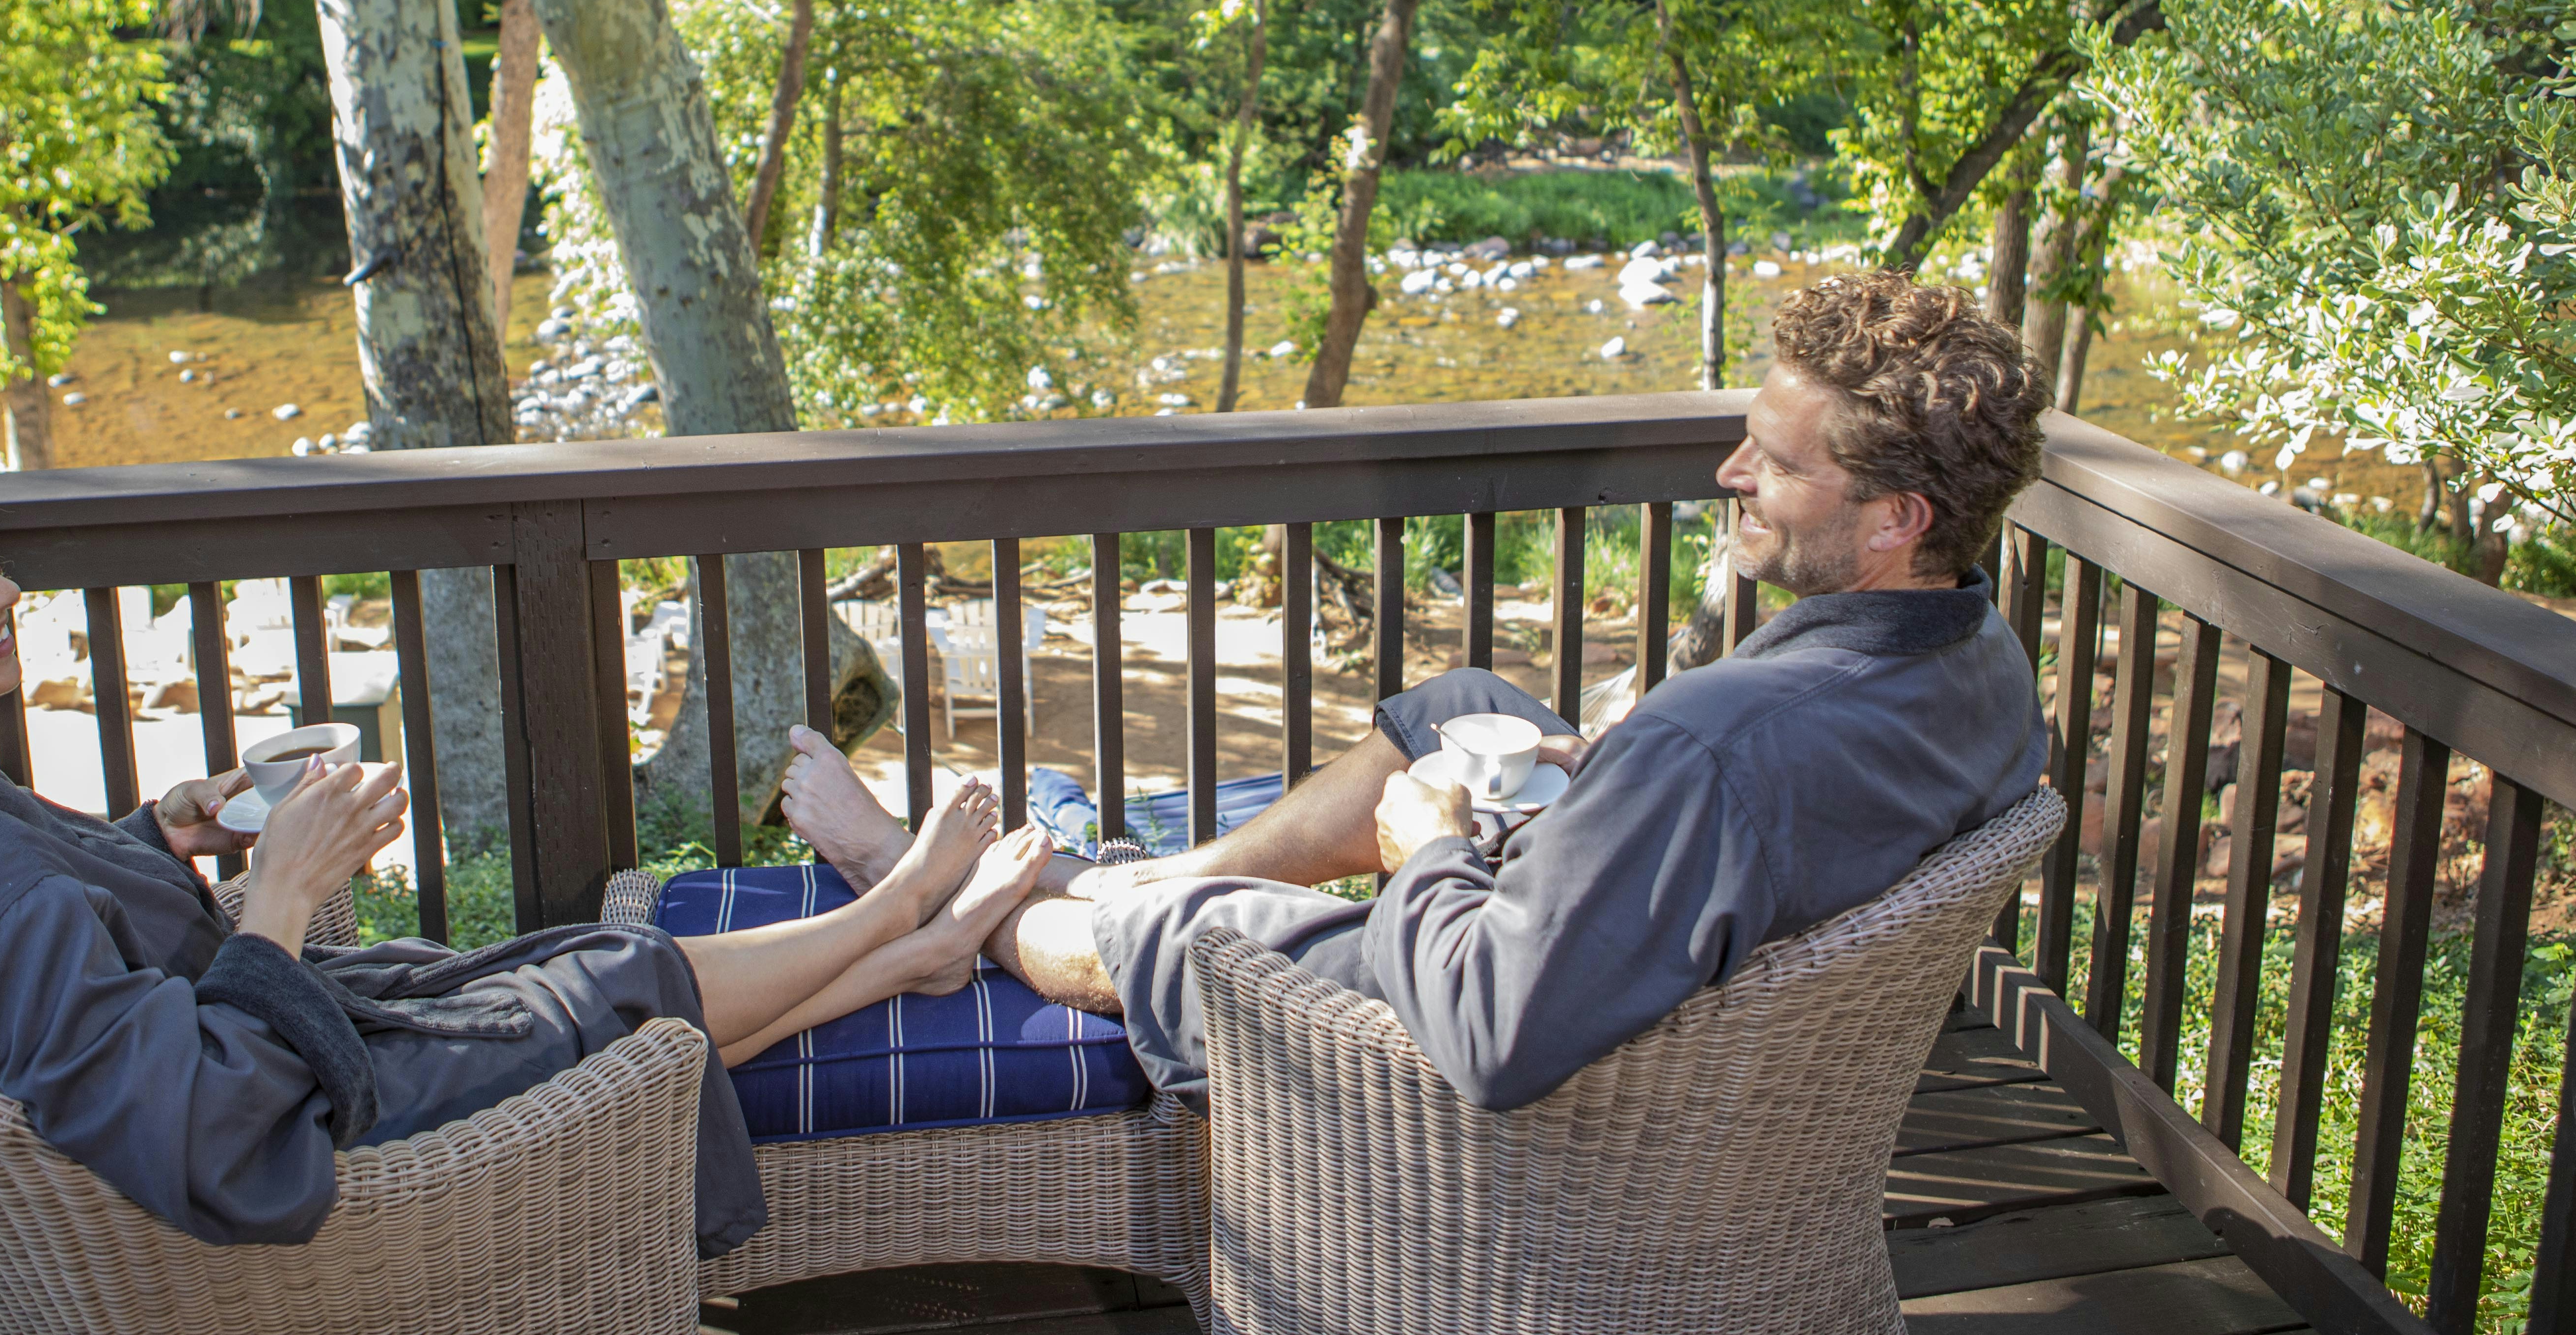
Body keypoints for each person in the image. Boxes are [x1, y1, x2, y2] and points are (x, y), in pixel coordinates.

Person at [0, 438, 1052, 1250]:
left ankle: (902, 937)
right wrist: (279, 898)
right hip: (318, 1161)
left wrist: (155, 838)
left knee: (575, 969)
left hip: (230, 1082)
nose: (4, 591)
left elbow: (39, 969)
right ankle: (900, 911)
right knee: (613, 982)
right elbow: (204, 1138)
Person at [779, 269, 2054, 1111]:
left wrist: (1428, 852)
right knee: (1464, 707)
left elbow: (1498, 1037)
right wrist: (1594, 779)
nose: (1728, 471)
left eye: (1772, 467)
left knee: (1179, 941)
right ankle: (1146, 868)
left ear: (1897, 517)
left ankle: (945, 913)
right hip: (1679, 980)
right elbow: (1736, 821)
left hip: (1517, 1049)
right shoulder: (1982, 664)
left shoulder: (1717, 748)